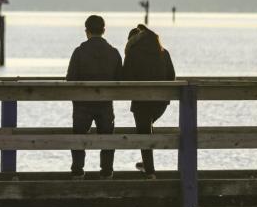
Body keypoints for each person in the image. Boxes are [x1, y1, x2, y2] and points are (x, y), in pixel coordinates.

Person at [66, 15, 123, 179]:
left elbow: (70, 79)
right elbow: (120, 79)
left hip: (82, 104)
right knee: (107, 138)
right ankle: (106, 172)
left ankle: (77, 171)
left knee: (78, 137)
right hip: (105, 103)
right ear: (104, 30)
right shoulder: (113, 53)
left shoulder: (79, 52)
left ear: (86, 31)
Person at [122, 24, 176, 179]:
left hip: (141, 102)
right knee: (147, 129)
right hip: (161, 103)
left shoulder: (133, 53)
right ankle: (147, 164)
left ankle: (150, 171)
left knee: (144, 132)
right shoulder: (163, 52)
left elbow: (126, 79)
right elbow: (171, 77)